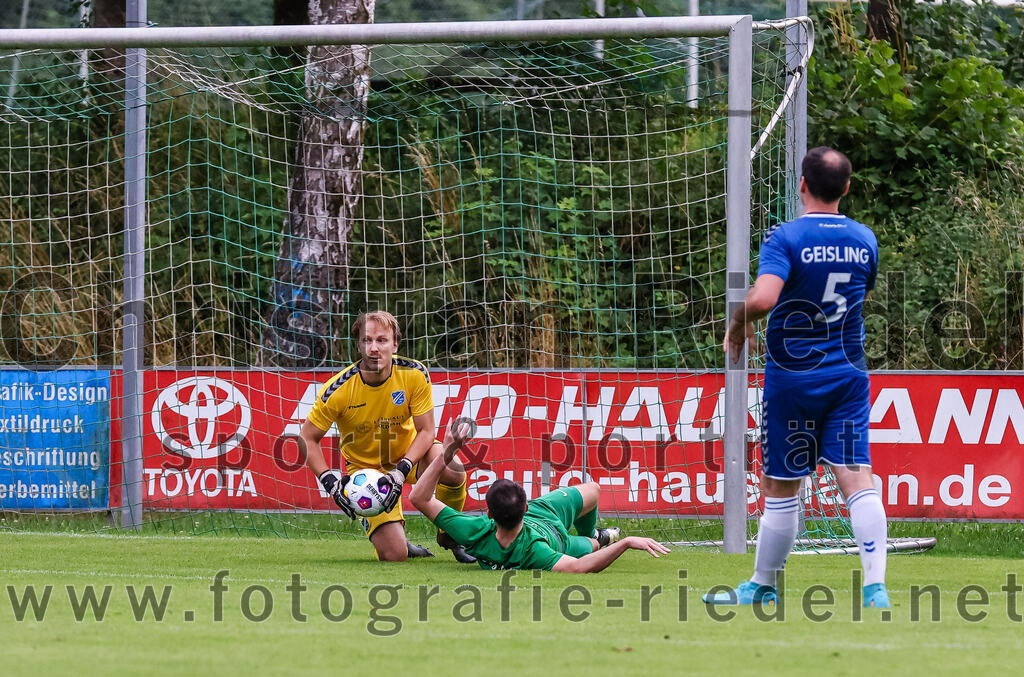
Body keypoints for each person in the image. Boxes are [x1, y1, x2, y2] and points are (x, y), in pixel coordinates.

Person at [703, 147, 889, 608]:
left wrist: (737, 322)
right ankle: (875, 588)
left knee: (782, 484)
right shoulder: (865, 239)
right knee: (857, 479)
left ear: (801, 184)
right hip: (848, 375)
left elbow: (765, 297)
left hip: (794, 377)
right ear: (847, 188)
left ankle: (762, 585)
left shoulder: (785, 237)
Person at [300, 310, 475, 563]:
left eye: (381, 340)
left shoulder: (414, 374)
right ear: (358, 345)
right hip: (366, 471)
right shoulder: (337, 390)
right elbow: (307, 438)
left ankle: (450, 535)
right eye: (367, 340)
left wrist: (401, 470)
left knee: (452, 468)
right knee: (394, 555)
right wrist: (330, 481)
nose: (374, 348)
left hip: (411, 456)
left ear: (395, 344)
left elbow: (427, 432)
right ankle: (399, 540)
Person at [409, 421, 670, 572]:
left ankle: (593, 535)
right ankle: (595, 537)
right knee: (592, 542)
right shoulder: (536, 551)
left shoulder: (475, 530)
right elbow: (580, 568)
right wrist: (623, 543)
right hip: (555, 533)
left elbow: (419, 497)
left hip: (543, 514)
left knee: (592, 493)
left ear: (489, 514)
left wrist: (448, 452)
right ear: (524, 506)